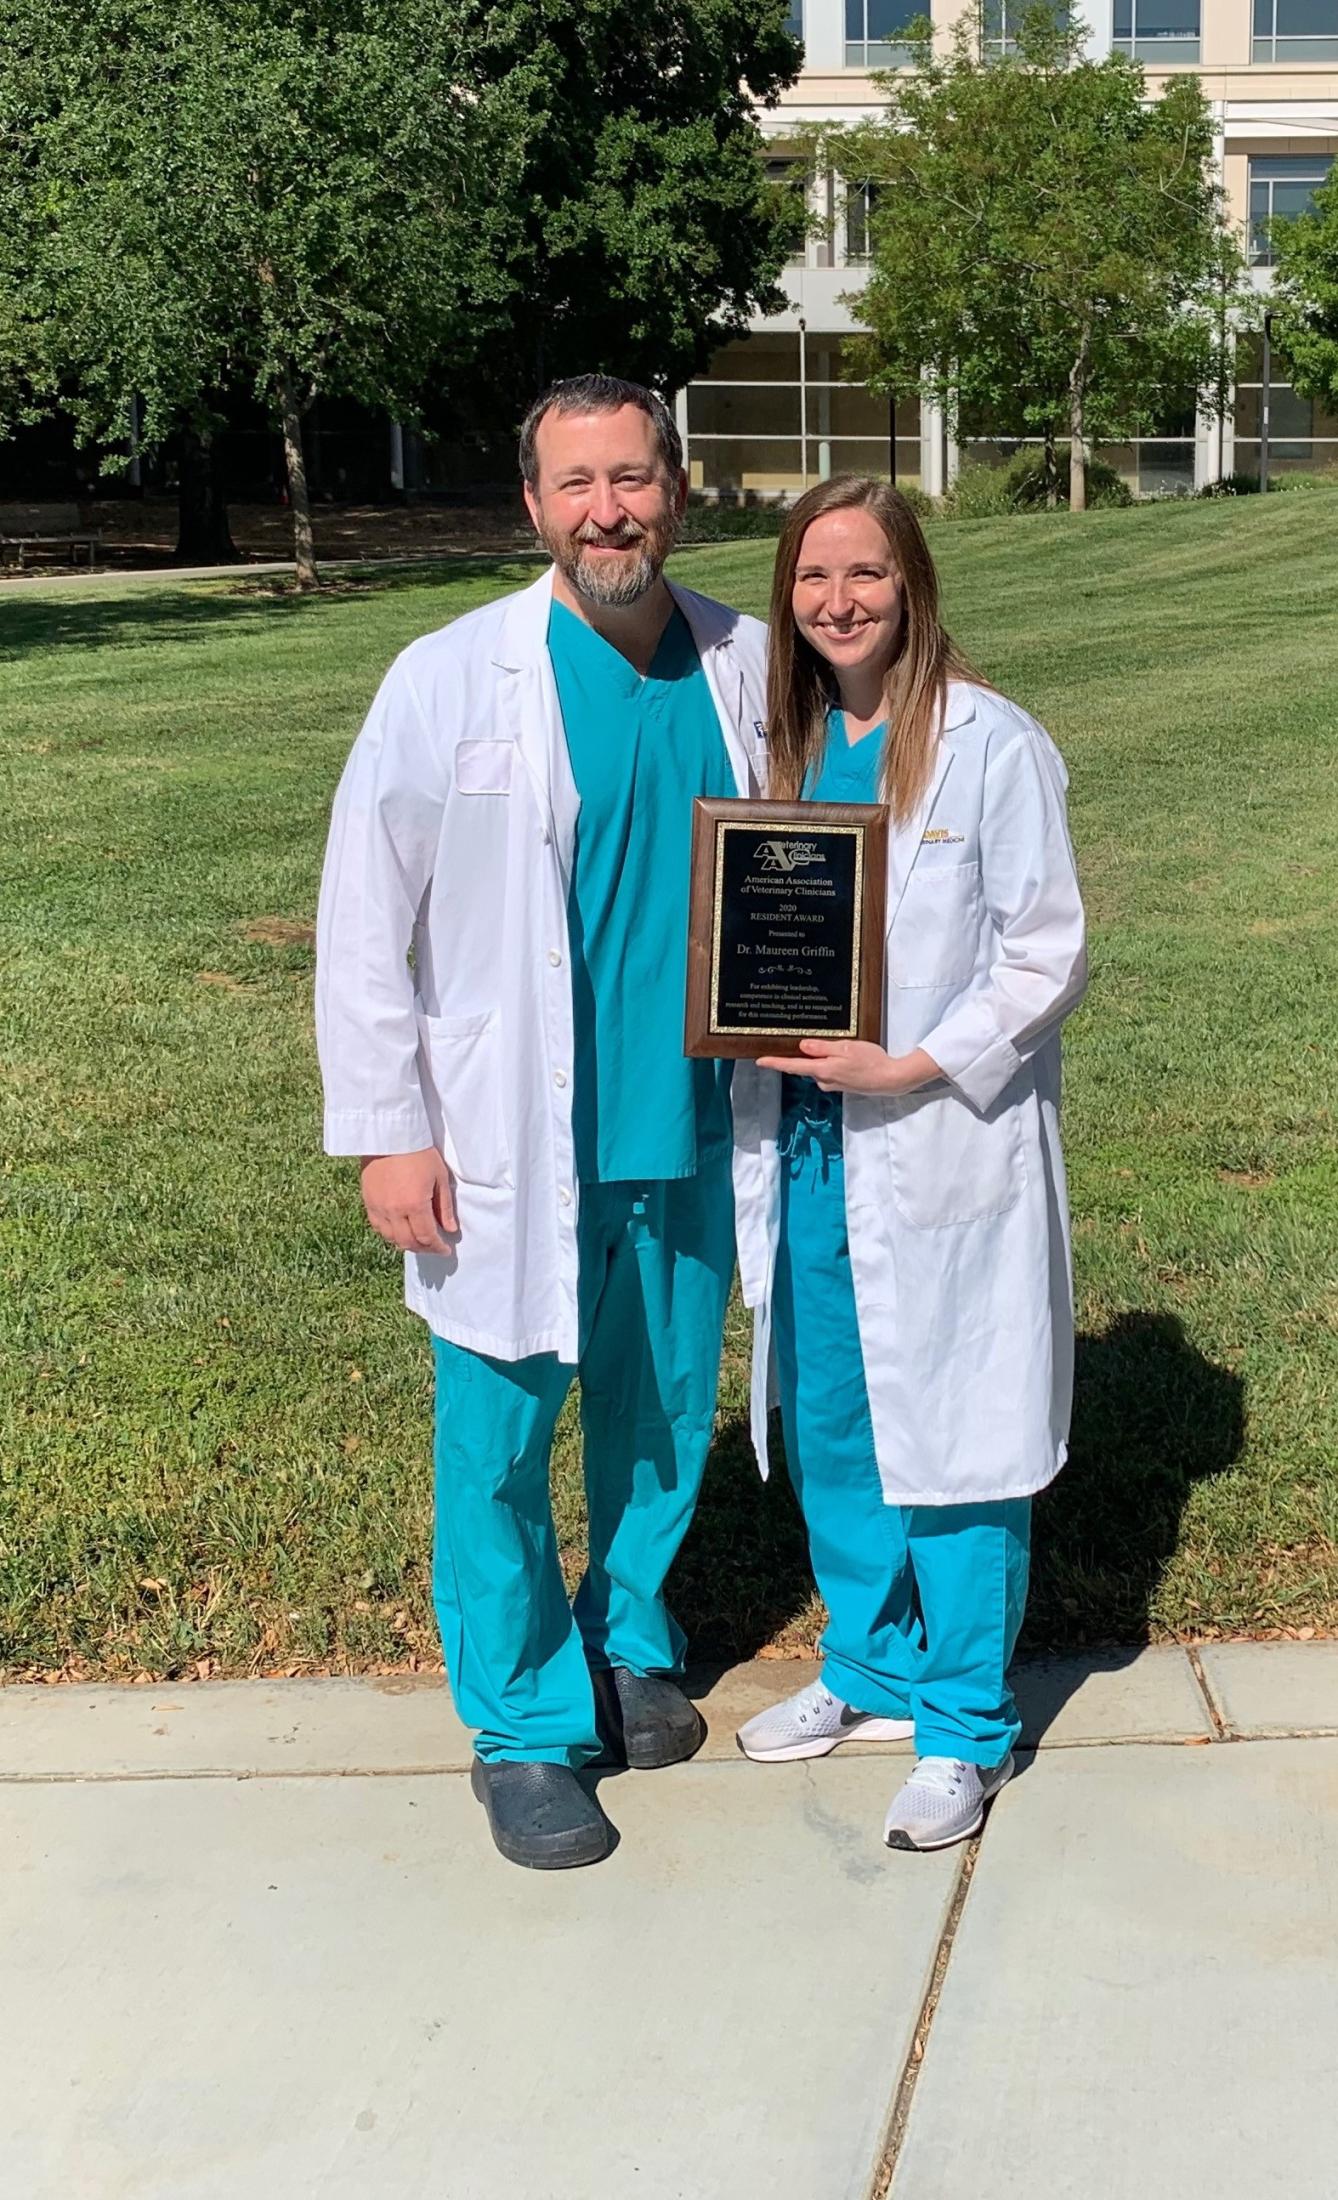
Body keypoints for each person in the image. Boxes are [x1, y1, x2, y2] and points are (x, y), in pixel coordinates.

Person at [315, 376, 767, 1870]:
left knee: (654, 1419)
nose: (606, 511)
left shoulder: (745, 664)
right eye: (574, 485)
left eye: (630, 478)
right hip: (506, 1144)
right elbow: (361, 914)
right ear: (532, 505)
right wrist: (388, 1127)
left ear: (678, 487)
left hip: (693, 1124)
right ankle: (519, 1728)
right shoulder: (449, 677)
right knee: (499, 1444)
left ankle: (626, 1638)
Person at [732, 476, 1087, 1850]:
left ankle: (961, 1723)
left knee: (955, 1430)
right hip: (814, 1150)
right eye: (813, 578)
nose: (837, 601)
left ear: (912, 585)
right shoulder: (787, 745)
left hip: (937, 1142)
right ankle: (869, 1669)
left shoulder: (991, 744)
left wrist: (915, 1063)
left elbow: (1043, 949)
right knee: (836, 1422)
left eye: (865, 574)